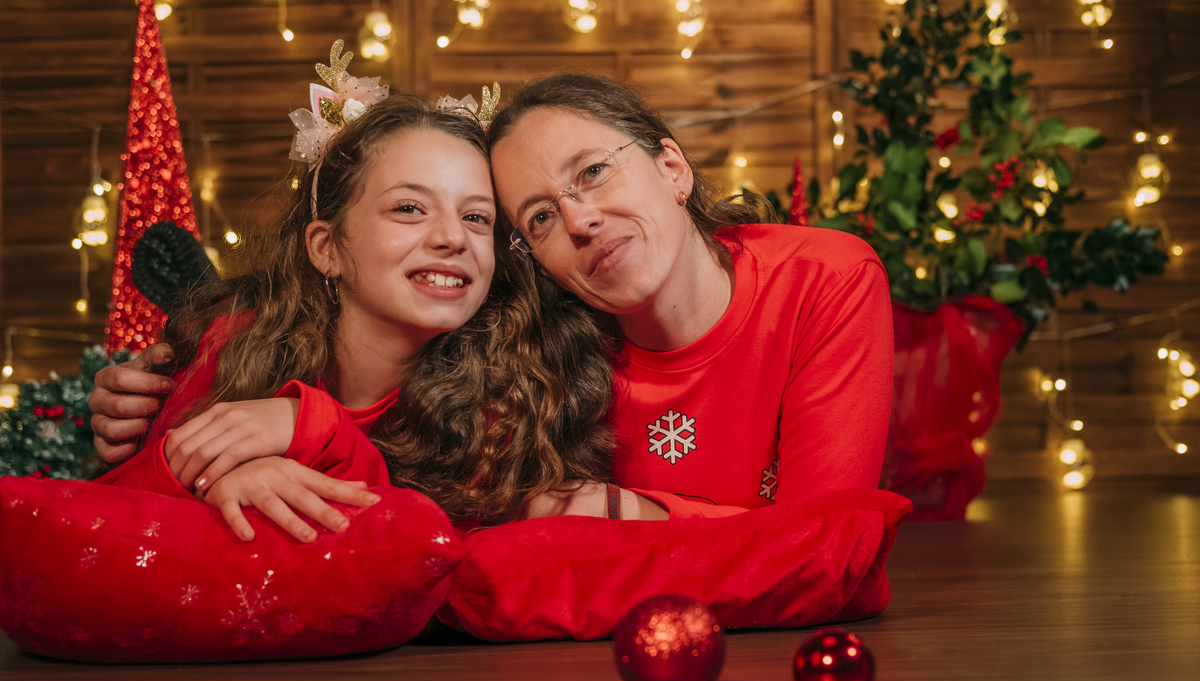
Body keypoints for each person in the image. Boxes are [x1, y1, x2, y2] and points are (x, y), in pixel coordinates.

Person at [92, 73, 893, 522]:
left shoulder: (821, 281)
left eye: (594, 172)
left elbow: (829, 544)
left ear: (673, 169)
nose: (578, 220)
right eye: (537, 217)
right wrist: (201, 467)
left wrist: (612, 512)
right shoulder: (540, 342)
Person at [95, 82, 617, 538]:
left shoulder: (512, 395)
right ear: (327, 248)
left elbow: (427, 559)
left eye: (477, 217)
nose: (453, 237)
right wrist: (213, 484)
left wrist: (313, 428)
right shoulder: (235, 343)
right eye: (409, 208)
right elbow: (108, 511)